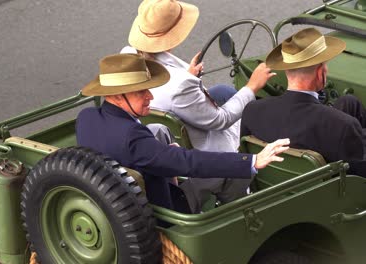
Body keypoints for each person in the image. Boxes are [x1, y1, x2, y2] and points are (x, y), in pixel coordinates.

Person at [76, 53, 290, 213]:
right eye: (141, 91)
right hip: (166, 211)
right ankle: (239, 215)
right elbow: (189, 162)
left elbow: (139, 150)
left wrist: (160, 156)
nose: (150, 96)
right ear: (118, 96)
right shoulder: (132, 137)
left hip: (118, 202)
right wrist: (252, 160)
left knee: (158, 130)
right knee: (227, 166)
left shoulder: (86, 118)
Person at [121, 0, 276, 207]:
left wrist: (189, 77)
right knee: (256, 113)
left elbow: (170, 89)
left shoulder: (128, 55)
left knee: (223, 91)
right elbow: (221, 120)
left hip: (175, 120)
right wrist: (252, 86)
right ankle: (244, 195)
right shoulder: (180, 86)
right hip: (204, 142)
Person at [241, 27, 365, 176]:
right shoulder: (343, 125)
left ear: (287, 70)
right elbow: (359, 180)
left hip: (280, 186)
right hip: (330, 195)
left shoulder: (252, 111)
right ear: (321, 73)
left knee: (348, 102)